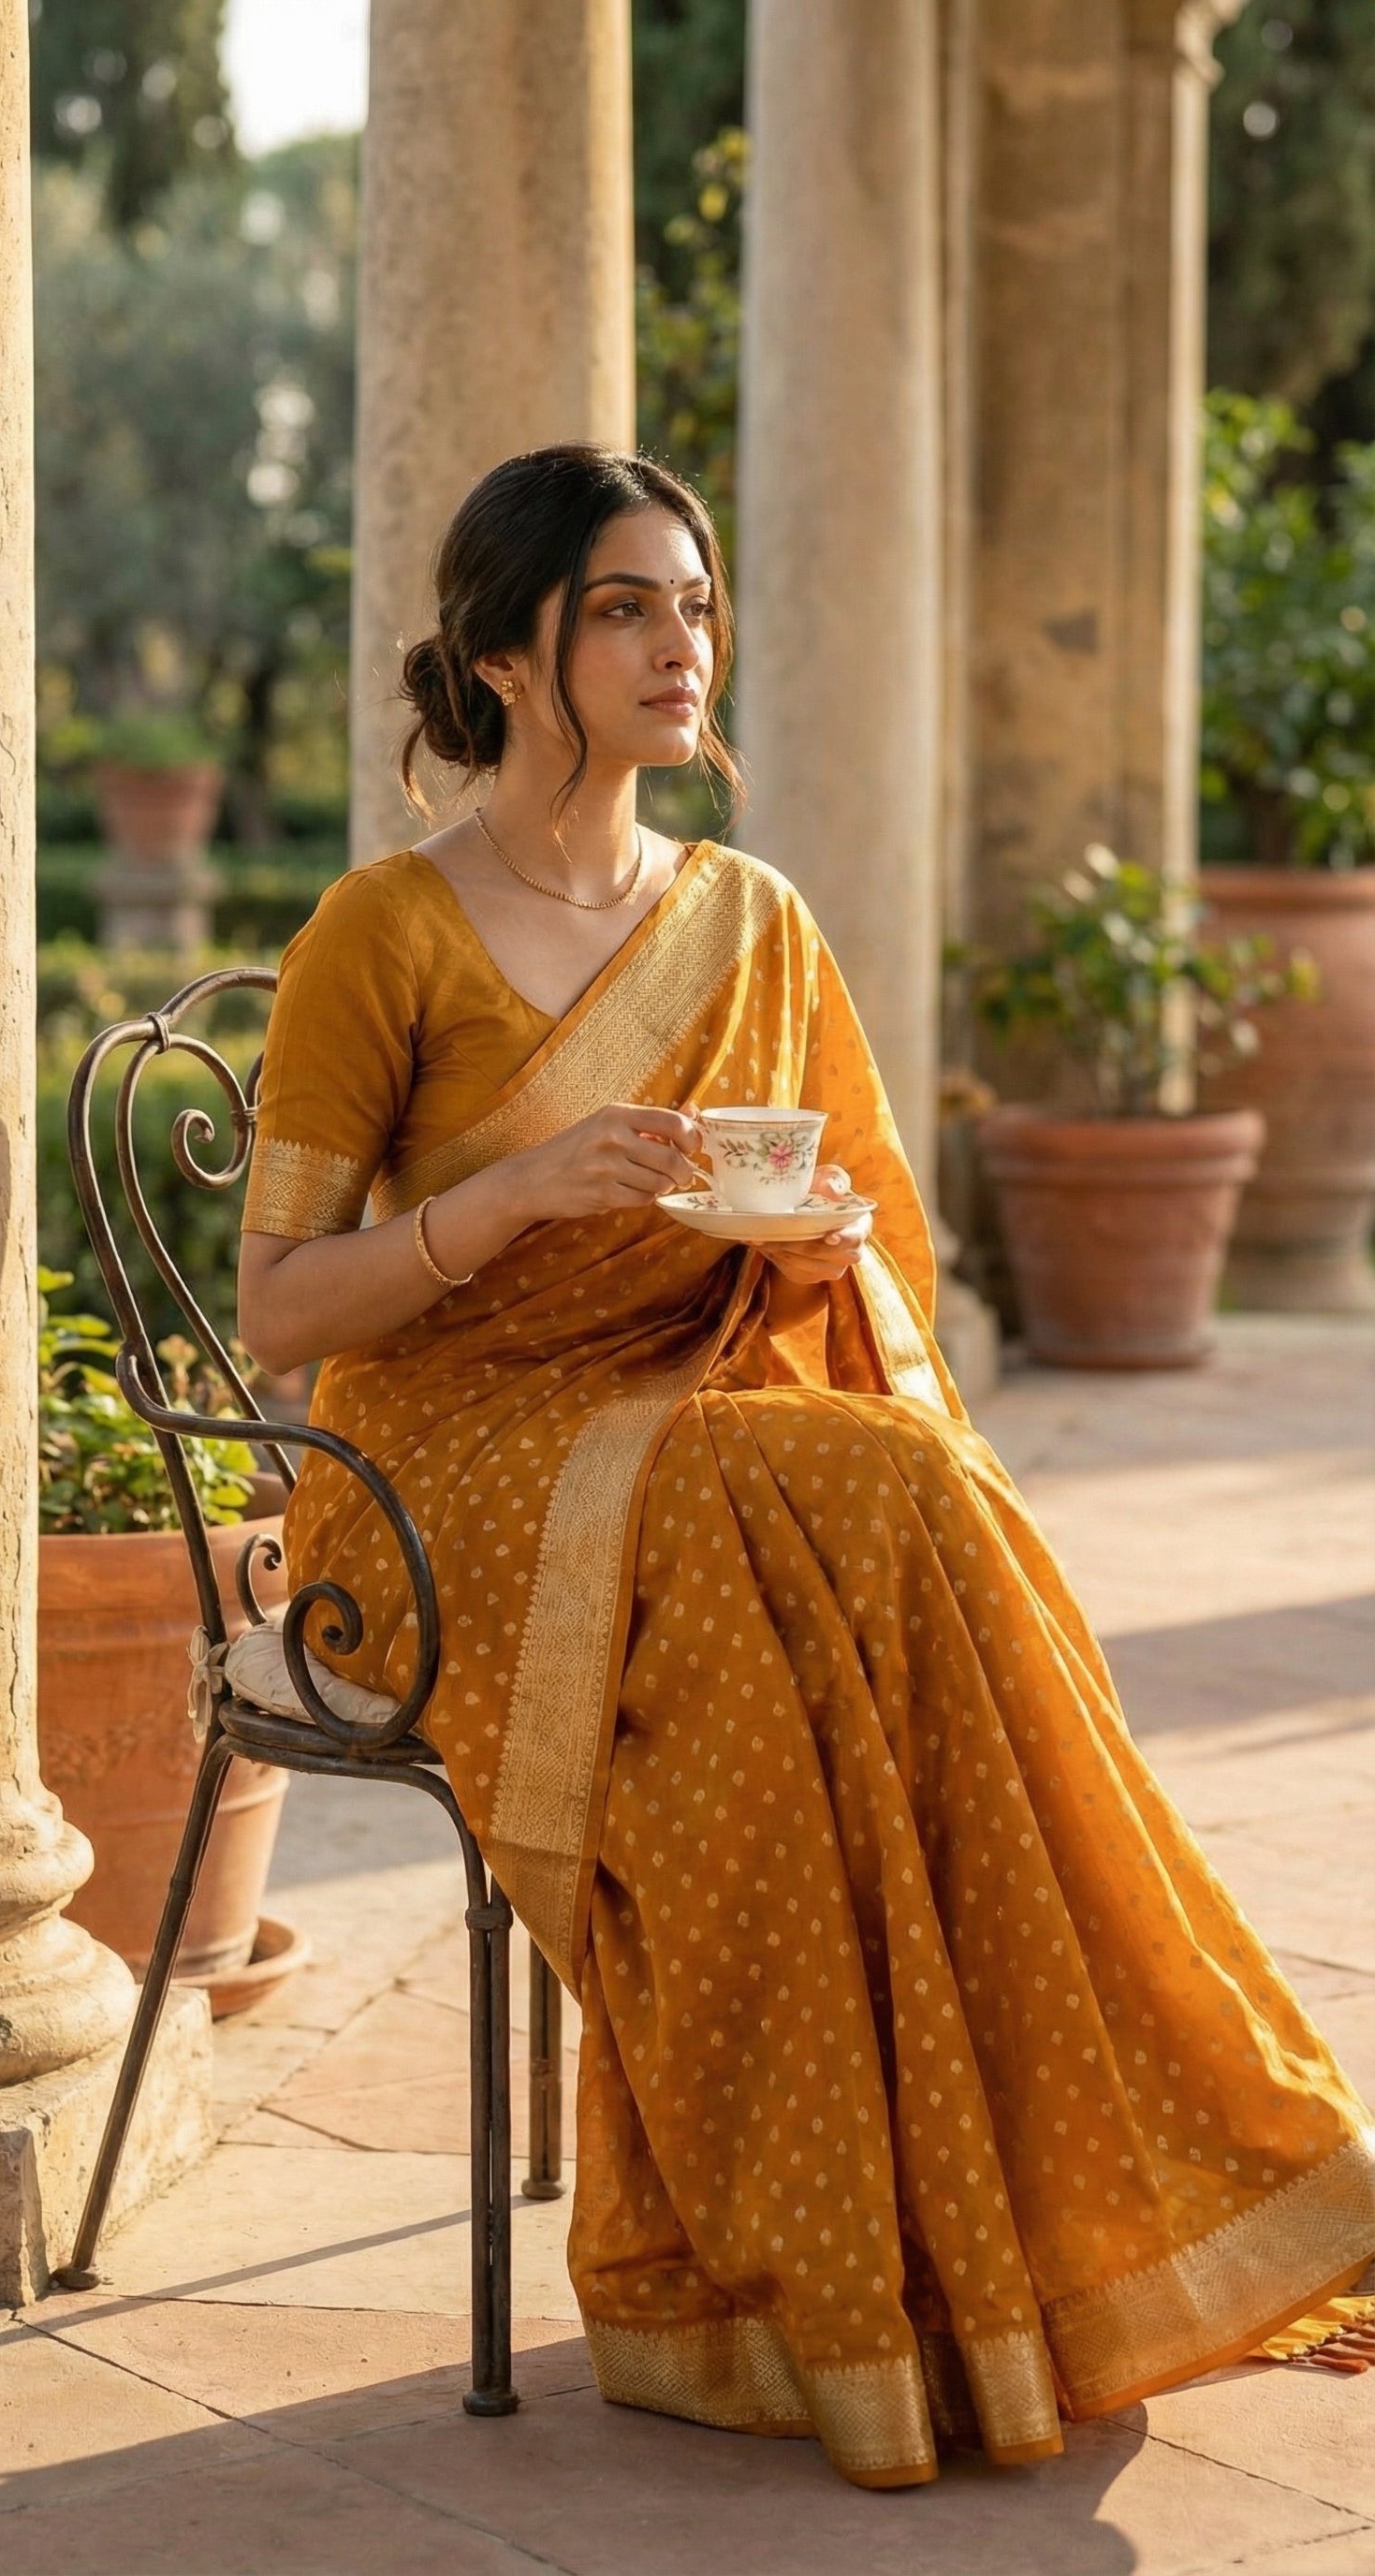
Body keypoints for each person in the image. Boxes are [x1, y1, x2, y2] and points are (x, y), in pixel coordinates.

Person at [238, 444, 1375, 2490]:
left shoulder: (750, 914)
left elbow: (870, 1240)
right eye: (623, 606)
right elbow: (286, 1316)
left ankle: (1067, 2211)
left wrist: (818, 1244)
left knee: (911, 1502)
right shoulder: (383, 931)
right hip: (438, 1467)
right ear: (507, 653)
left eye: (694, 601)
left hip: (691, 1410)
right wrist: (512, 1194)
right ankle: (810, 2280)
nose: (685, 643)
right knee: (796, 1518)